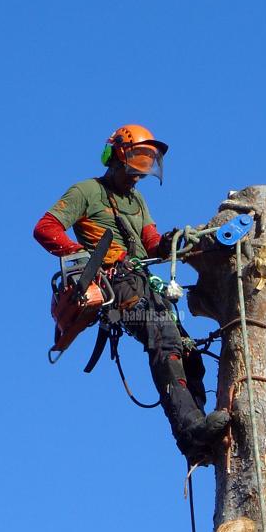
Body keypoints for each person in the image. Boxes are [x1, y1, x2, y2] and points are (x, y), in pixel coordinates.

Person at [33, 123, 229, 462]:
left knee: (189, 353)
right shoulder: (87, 191)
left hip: (144, 281)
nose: (142, 170)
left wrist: (176, 241)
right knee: (164, 341)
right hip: (116, 282)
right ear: (120, 153)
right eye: (140, 157)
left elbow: (151, 242)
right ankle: (191, 430)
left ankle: (201, 437)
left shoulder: (137, 201)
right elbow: (45, 228)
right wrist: (83, 260)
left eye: (149, 160)